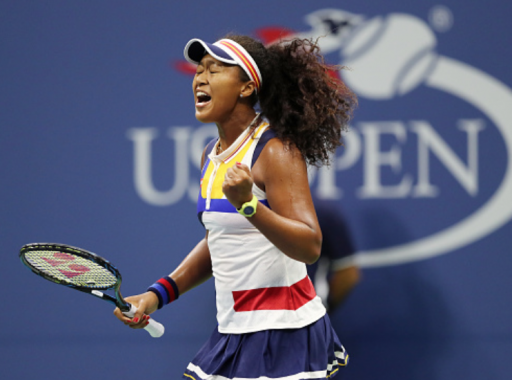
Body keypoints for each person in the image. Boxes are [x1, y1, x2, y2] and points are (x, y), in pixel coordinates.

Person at [114, 34, 357, 380]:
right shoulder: (210, 156)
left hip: (282, 330)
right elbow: (220, 241)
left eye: (214, 69)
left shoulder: (276, 151)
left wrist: (248, 206)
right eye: (199, 70)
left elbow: (310, 245)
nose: (200, 77)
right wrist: (157, 295)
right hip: (235, 328)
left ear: (246, 87)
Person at [308, 200, 362, 314]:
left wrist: (323, 306)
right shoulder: (261, 210)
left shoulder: (323, 212)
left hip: (308, 312)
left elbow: (348, 274)